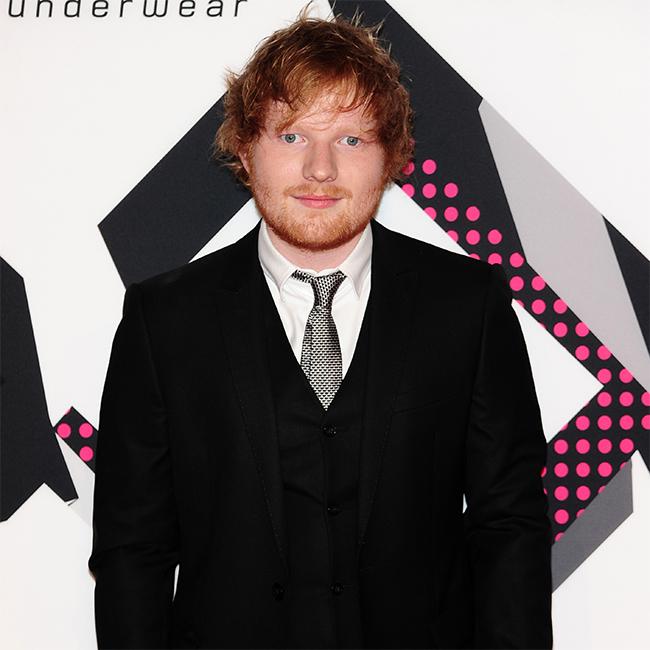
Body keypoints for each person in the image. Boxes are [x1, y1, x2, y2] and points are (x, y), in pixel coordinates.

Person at [89, 10, 553, 650]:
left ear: (391, 156)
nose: (320, 169)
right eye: (291, 136)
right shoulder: (163, 319)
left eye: (351, 140)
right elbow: (131, 549)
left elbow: (511, 524)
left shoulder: (467, 305)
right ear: (245, 150)